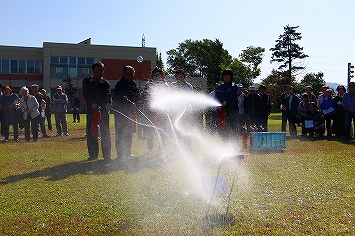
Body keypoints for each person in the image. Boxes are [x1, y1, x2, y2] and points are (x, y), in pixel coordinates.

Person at [83, 62, 112, 162]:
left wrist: (108, 103)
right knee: (92, 132)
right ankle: (93, 155)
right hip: (91, 111)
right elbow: (85, 94)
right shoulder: (87, 81)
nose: (99, 73)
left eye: (101, 71)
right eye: (97, 70)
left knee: (105, 133)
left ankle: (107, 155)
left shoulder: (106, 83)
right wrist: (92, 103)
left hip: (103, 111)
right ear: (93, 71)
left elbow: (108, 95)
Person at [114, 65, 141, 159]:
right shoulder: (119, 84)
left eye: (131, 75)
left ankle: (128, 152)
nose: (129, 77)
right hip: (120, 113)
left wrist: (137, 102)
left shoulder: (133, 84)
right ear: (123, 74)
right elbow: (121, 97)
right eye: (127, 75)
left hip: (130, 113)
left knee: (129, 133)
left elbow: (137, 95)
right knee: (120, 133)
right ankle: (120, 155)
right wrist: (130, 103)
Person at [142, 67, 169, 155]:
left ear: (162, 76)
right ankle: (150, 149)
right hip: (150, 112)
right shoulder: (148, 85)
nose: (157, 77)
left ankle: (160, 150)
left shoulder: (165, 86)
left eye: (159, 75)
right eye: (155, 75)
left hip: (162, 113)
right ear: (152, 76)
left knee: (162, 131)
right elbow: (145, 97)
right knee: (150, 131)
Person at [171, 68, 194, 149]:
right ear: (176, 77)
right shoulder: (172, 85)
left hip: (186, 111)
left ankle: (187, 147)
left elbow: (190, 98)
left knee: (186, 130)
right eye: (178, 76)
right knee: (176, 130)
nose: (180, 78)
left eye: (181, 76)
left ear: (184, 77)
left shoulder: (189, 86)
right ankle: (175, 148)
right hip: (176, 112)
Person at [215, 69, 237, 140]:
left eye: (228, 76)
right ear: (222, 77)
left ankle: (233, 144)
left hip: (232, 111)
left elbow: (233, 96)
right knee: (222, 127)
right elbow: (217, 97)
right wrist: (218, 104)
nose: (226, 77)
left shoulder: (234, 86)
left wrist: (226, 101)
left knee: (232, 128)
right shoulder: (220, 87)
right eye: (225, 76)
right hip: (221, 111)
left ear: (231, 77)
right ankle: (224, 142)